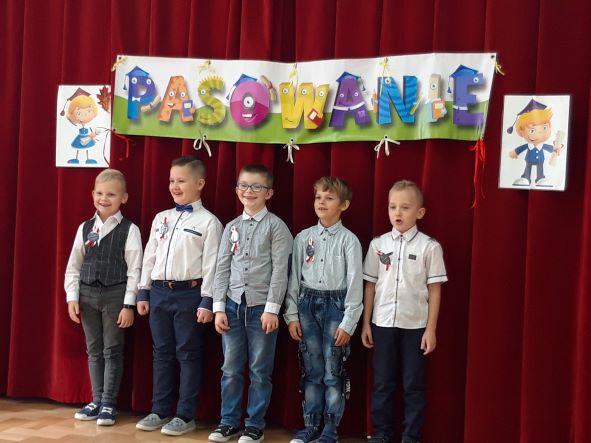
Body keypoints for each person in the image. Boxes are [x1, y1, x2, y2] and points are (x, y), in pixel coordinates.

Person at [135, 156, 223, 436]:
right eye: (172, 180)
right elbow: (150, 255)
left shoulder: (209, 222)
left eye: (181, 181)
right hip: (159, 292)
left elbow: (212, 265)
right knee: (161, 353)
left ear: (200, 183)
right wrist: (143, 290)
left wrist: (207, 300)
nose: (175, 186)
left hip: (190, 294)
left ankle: (185, 415)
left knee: (187, 353)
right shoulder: (161, 218)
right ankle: (160, 410)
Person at [208, 164, 293, 443]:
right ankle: (228, 422)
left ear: (268, 193)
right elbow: (222, 267)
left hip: (261, 310)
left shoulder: (277, 227)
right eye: (244, 185)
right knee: (230, 368)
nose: (249, 191)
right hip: (232, 306)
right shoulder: (231, 226)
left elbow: (280, 271)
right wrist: (218, 307)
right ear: (236, 190)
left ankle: (254, 425)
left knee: (259, 370)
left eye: (256, 186)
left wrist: (272, 309)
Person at [361, 180, 447, 443]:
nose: (397, 213)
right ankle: (381, 434)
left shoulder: (429, 247)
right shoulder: (378, 244)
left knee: (413, 385)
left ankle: (411, 436)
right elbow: (370, 286)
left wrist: (430, 330)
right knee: (382, 383)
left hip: (415, 326)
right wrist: (366, 323)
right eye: (392, 207)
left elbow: (434, 290)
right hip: (383, 323)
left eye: (405, 207)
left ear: (419, 212)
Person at [284, 176, 363, 443]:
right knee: (312, 369)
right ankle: (311, 424)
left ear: (344, 205)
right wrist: (291, 315)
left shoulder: (349, 241)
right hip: (307, 305)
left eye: (329, 198)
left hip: (336, 307)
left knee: (333, 370)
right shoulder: (303, 237)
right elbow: (294, 279)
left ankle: (330, 428)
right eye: (318, 197)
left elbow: (354, 284)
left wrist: (348, 322)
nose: (322, 202)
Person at [64, 168, 143, 426]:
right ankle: (96, 400)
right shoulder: (85, 227)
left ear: (124, 198)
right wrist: (72, 297)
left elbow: (135, 270)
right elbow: (74, 265)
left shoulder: (129, 230)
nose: (104, 199)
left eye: (111, 194)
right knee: (94, 350)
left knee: (112, 349)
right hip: (87, 295)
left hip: (115, 296)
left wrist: (128, 304)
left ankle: (109, 403)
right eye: (99, 193)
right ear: (92, 194)